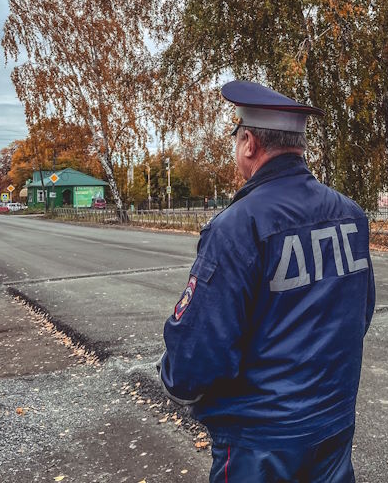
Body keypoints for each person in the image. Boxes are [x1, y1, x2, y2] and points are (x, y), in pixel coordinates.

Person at [158, 80, 376, 482]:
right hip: (333, 424)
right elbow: (358, 315)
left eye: (237, 137)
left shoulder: (238, 226)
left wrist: (173, 374)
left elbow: (196, 354)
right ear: (298, 144)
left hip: (259, 443)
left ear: (250, 143)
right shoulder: (350, 215)